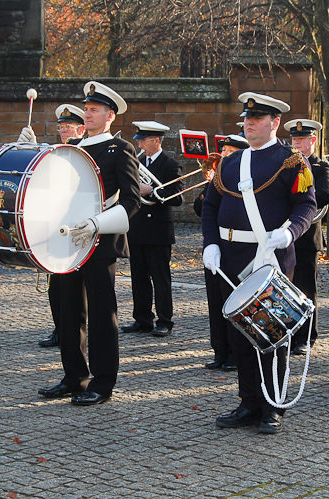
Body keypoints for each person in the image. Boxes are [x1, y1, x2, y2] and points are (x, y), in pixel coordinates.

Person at [201, 92, 316, 434]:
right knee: (239, 335)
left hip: (270, 256)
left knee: (270, 334)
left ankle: (274, 405)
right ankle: (249, 402)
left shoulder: (291, 160)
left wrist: (290, 232)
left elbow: (307, 205)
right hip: (230, 257)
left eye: (257, 119)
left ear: (274, 122)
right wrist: (211, 245)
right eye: (246, 119)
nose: (249, 123)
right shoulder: (229, 163)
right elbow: (210, 208)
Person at [36, 81, 141, 405]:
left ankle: (103, 382)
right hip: (68, 241)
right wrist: (34, 153)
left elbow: (132, 200)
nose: (88, 114)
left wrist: (97, 223)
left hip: (99, 242)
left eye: (95, 110)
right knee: (67, 312)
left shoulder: (120, 149)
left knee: (100, 314)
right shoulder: (75, 147)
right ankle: (74, 376)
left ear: (110, 115)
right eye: (88, 109)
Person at [19, 104, 87, 348]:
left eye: (68, 127)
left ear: (81, 128)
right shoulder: (55, 151)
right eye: (61, 127)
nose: (63, 131)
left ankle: (73, 333)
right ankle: (59, 329)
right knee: (54, 286)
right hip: (54, 228)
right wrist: (29, 147)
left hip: (78, 229)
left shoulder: (84, 152)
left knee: (74, 290)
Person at [120, 121, 183, 337]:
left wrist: (152, 191)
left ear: (156, 141)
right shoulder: (135, 162)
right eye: (139, 140)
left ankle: (165, 320)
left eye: (144, 140)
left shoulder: (170, 164)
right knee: (138, 278)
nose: (140, 144)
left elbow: (177, 197)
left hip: (158, 232)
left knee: (160, 279)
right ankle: (142, 319)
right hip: (137, 229)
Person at [193, 134, 249, 371]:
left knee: (235, 303)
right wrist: (209, 184)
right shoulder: (218, 178)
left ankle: (236, 354)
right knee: (215, 302)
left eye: (228, 151)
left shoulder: (245, 177)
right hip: (215, 247)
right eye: (223, 150)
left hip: (237, 249)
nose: (223, 155)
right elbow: (201, 208)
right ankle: (220, 351)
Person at [282, 119, 329, 355]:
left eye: (301, 140)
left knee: (305, 289)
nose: (297, 143)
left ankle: (306, 337)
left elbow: (326, 195)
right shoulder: (284, 164)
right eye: (294, 140)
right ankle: (285, 333)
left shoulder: (321, 166)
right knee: (284, 288)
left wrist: (298, 192)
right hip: (283, 235)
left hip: (306, 237)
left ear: (313, 141)